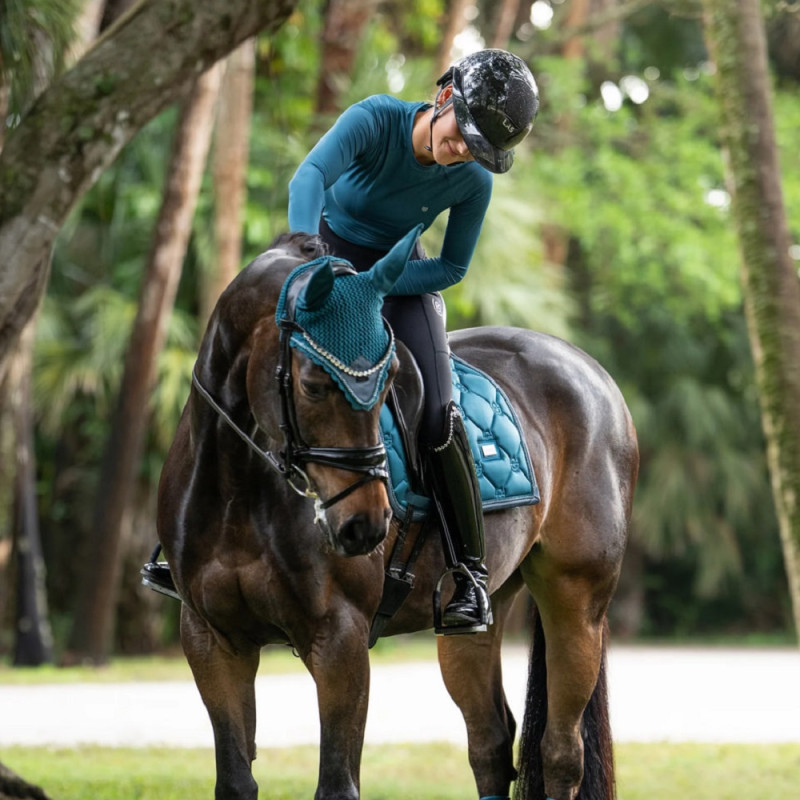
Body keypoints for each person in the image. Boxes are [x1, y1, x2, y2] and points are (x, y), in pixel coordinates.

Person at [288, 48, 539, 634]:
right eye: (461, 136)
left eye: (477, 150)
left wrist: (377, 284)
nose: (461, 152)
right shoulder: (375, 118)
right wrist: (305, 260)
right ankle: (178, 541)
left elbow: (452, 267)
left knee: (437, 413)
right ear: (445, 96)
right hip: (320, 254)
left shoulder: (473, 180)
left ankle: (469, 573)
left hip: (400, 277)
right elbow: (310, 177)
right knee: (247, 360)